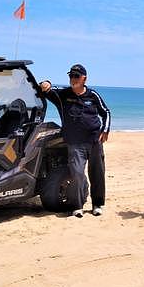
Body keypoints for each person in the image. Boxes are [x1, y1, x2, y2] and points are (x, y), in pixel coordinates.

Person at [39, 64, 111, 217]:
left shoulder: (93, 95)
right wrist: (46, 83)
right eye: (71, 76)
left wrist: (105, 130)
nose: (73, 79)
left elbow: (106, 112)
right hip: (74, 143)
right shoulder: (63, 95)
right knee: (76, 173)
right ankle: (77, 206)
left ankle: (97, 204)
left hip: (94, 141)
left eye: (76, 76)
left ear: (84, 78)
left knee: (97, 173)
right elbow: (46, 90)